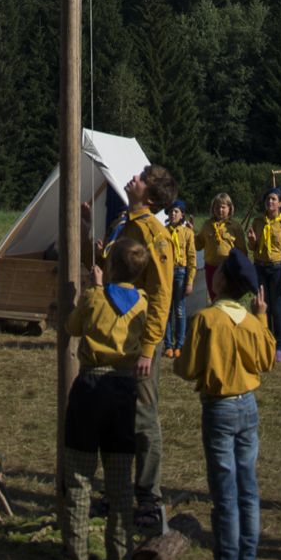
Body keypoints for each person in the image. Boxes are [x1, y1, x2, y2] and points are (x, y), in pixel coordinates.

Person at [174, 247, 276, 560]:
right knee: (248, 491)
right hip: (248, 405)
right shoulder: (251, 321)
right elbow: (267, 360)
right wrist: (261, 318)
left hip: (219, 408)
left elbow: (186, 369)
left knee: (225, 496)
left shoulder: (205, 320)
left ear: (219, 280)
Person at [82, 162, 178, 528]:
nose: (134, 179)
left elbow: (162, 294)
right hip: (112, 337)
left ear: (150, 197)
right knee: (115, 415)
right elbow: (109, 268)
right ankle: (115, 490)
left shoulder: (156, 235)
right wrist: (87, 233)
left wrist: (150, 348)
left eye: (142, 179)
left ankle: (148, 498)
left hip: (138, 340)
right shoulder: (121, 223)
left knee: (143, 418)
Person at [59, 237, 151, 560]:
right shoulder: (143, 302)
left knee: (80, 478)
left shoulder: (94, 297)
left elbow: (72, 327)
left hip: (90, 387)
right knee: (120, 484)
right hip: (123, 391)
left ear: (109, 266)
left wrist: (94, 290)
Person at [246, 186, 281, 363]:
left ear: (280, 204)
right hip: (260, 268)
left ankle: (278, 347)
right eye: (268, 199)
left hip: (276, 269)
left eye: (274, 199)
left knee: (277, 309)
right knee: (263, 307)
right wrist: (252, 242)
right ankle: (265, 342)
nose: (270, 202)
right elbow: (253, 247)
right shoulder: (257, 221)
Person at [196, 193, 247, 302]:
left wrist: (241, 269)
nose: (220, 210)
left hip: (228, 269)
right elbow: (198, 246)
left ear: (229, 209)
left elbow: (242, 250)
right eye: (217, 207)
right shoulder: (207, 225)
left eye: (223, 207)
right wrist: (190, 233)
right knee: (214, 298)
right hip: (211, 268)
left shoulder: (235, 226)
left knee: (229, 298)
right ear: (213, 208)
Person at [163, 199, 196, 358]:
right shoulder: (164, 232)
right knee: (167, 310)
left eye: (176, 211)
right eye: (171, 211)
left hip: (181, 272)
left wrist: (190, 281)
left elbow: (192, 259)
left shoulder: (187, 233)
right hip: (167, 272)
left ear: (182, 215)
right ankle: (168, 345)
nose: (173, 214)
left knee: (180, 309)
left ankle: (180, 344)